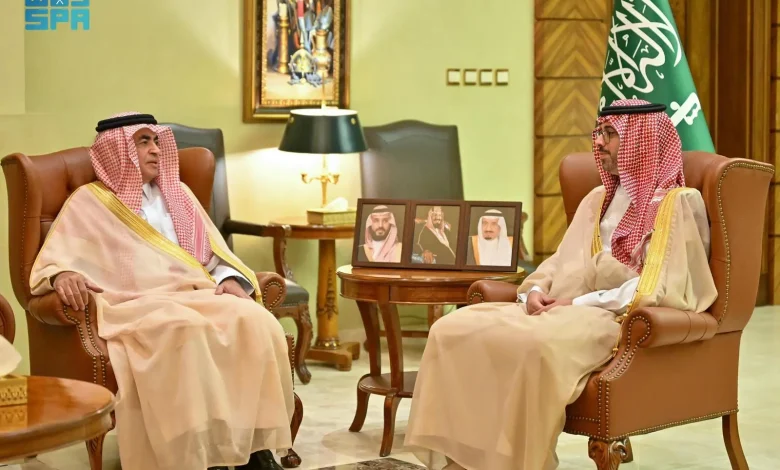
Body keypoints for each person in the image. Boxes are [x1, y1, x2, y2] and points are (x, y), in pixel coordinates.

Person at [404, 99, 717, 470]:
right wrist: (534, 291)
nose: (598, 142)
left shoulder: (677, 205)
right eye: (599, 132)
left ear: (641, 140)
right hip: (561, 306)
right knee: (451, 329)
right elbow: (561, 260)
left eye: (610, 134)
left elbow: (661, 287)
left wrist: (578, 304)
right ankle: (465, 460)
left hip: (613, 316)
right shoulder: (598, 198)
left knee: (533, 345)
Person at [29, 112, 294, 470]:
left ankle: (254, 449)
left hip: (195, 293)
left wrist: (229, 277)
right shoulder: (89, 202)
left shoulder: (178, 195)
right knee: (185, 329)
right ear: (118, 150)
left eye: (156, 141)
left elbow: (211, 253)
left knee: (255, 321)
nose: (156, 150)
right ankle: (200, 455)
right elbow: (57, 258)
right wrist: (62, 275)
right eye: (144, 142)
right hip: (135, 304)